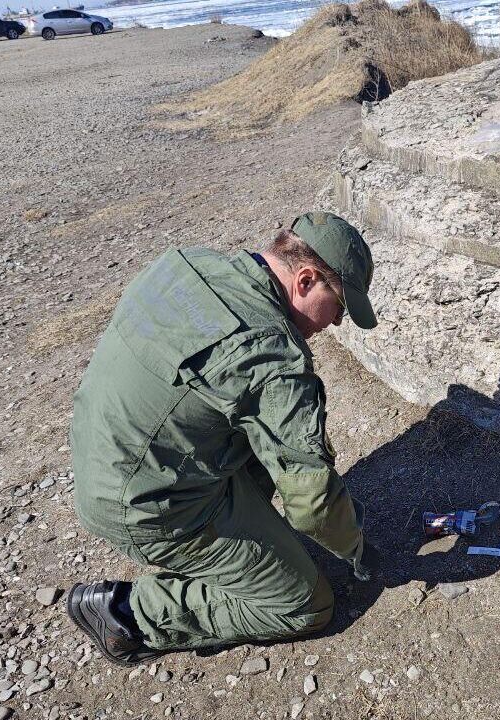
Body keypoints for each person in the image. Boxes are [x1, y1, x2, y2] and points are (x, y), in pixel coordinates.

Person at [65, 212, 379, 666]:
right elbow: (313, 504)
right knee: (306, 605)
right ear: (306, 279)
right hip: (145, 506)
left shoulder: (190, 264)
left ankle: (236, 543)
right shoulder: (271, 359)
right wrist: (354, 544)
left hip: (103, 453)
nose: (335, 324)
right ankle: (128, 614)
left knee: (258, 433)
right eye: (339, 307)